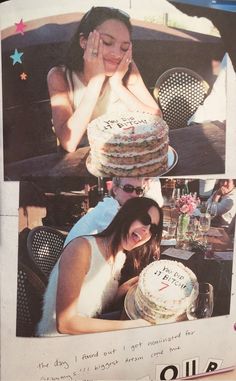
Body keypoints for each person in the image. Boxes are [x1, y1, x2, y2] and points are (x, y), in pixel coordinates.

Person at [36, 197, 163, 336]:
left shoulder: (120, 256)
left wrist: (123, 290)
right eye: (145, 220)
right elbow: (65, 323)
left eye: (153, 229)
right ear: (126, 214)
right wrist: (131, 325)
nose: (146, 230)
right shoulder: (81, 249)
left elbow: (95, 303)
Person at [48, 6, 161, 152]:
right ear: (84, 41)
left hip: (128, 155)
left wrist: (117, 85)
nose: (117, 54)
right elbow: (68, 143)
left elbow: (157, 120)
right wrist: (96, 81)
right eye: (107, 42)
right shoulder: (59, 76)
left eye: (124, 48)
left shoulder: (127, 68)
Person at [64, 176, 163, 246]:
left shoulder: (113, 206)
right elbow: (125, 243)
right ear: (115, 190)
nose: (134, 195)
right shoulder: (109, 211)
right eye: (128, 188)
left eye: (138, 190)